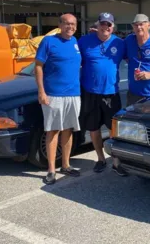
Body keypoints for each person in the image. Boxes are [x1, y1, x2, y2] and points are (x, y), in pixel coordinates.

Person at [110, 14, 150, 176]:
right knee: (132, 132)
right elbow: (118, 50)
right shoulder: (129, 41)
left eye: (142, 24)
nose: (139, 28)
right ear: (133, 27)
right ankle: (127, 163)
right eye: (136, 25)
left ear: (149, 25)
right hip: (135, 95)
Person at [34, 13, 82, 185]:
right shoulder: (48, 41)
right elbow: (38, 67)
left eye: (73, 24)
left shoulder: (76, 42)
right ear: (60, 25)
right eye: (67, 24)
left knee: (68, 130)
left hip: (74, 94)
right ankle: (51, 170)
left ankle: (66, 165)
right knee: (53, 131)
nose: (70, 27)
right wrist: (41, 91)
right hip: (53, 95)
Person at [78, 12, 127, 175]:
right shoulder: (84, 41)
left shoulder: (120, 43)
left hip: (111, 93)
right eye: (103, 24)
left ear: (113, 27)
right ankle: (100, 159)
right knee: (94, 128)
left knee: (114, 131)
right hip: (90, 93)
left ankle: (116, 162)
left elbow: (135, 59)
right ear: (97, 25)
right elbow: (71, 61)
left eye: (109, 24)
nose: (105, 27)